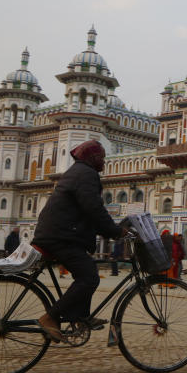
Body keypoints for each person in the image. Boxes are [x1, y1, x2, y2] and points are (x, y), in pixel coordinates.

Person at [32, 139, 124, 342]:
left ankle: (80, 317)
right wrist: (115, 231)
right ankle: (50, 317)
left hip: (59, 233)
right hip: (60, 236)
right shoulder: (86, 174)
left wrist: (109, 230)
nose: (103, 162)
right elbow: (93, 209)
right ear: (92, 158)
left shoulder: (78, 171)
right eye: (101, 158)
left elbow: (90, 209)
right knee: (89, 278)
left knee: (87, 269)